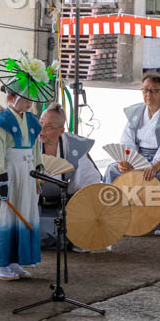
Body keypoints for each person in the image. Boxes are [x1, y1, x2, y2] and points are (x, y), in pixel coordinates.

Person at [0, 53, 53, 280]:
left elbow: (35, 150)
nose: (29, 101)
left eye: (31, 96)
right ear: (10, 97)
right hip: (9, 173)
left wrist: (39, 172)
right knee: (6, 216)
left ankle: (15, 260)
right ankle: (1, 264)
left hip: (27, 172)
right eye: (24, 96)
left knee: (24, 213)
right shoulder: (0, 123)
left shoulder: (32, 121)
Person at [104, 72, 160, 235]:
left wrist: (156, 165)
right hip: (139, 157)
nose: (148, 94)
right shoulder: (136, 113)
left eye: (154, 90)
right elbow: (127, 139)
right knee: (113, 170)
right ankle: (111, 217)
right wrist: (127, 160)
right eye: (145, 90)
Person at [36, 103, 101, 249]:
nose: (41, 130)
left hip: (66, 201)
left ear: (61, 130)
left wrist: (76, 202)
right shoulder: (29, 142)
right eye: (40, 123)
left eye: (49, 127)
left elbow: (89, 180)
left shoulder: (75, 147)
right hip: (36, 199)